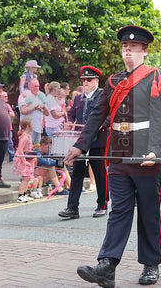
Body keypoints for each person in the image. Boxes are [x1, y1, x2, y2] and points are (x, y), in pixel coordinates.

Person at [66, 25, 161, 287]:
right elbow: (96, 118)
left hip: (145, 153)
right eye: (125, 48)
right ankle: (107, 266)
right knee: (119, 211)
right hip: (118, 154)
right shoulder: (113, 82)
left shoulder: (155, 77)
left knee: (148, 210)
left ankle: (150, 264)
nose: (128, 52)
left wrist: (156, 150)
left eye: (133, 48)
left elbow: (159, 119)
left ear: (144, 51)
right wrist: (80, 146)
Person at [60, 65, 109, 219]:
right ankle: (72, 208)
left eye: (89, 79)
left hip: (98, 141)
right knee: (77, 174)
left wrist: (103, 124)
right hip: (80, 141)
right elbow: (72, 114)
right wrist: (69, 121)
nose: (85, 82)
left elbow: (109, 115)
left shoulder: (103, 95)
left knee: (100, 174)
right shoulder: (78, 97)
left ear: (96, 80)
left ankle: (102, 205)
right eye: (83, 80)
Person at [13, 118, 39, 202]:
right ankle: (20, 195)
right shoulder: (25, 137)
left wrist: (33, 148)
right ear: (28, 126)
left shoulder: (28, 136)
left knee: (27, 178)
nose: (33, 126)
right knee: (25, 178)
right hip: (24, 159)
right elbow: (20, 149)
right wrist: (24, 161)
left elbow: (26, 148)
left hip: (28, 159)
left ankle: (24, 194)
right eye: (32, 124)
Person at [19, 78, 49, 145]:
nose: (37, 88)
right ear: (29, 87)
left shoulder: (41, 96)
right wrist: (35, 107)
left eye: (38, 86)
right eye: (35, 86)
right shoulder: (24, 95)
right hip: (27, 129)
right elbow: (23, 110)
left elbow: (47, 113)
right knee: (27, 150)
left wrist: (43, 107)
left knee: (36, 150)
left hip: (38, 128)